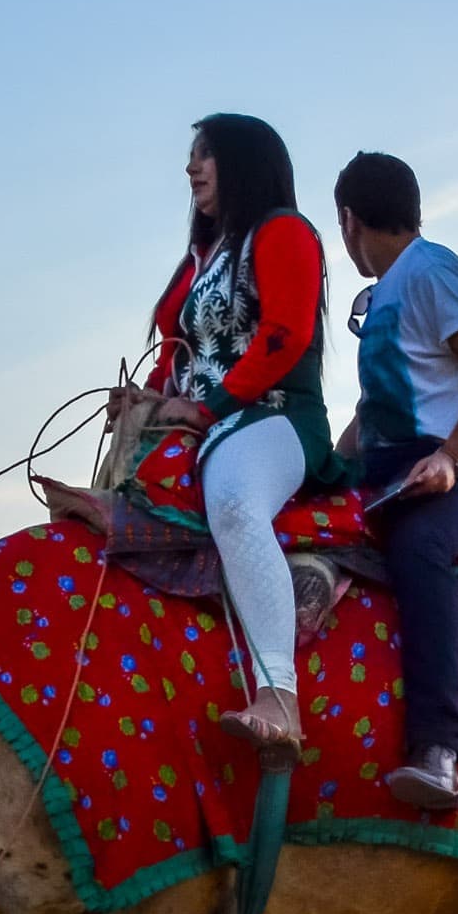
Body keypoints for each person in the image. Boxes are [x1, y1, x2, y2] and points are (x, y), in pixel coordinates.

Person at [126, 114, 349, 755]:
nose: (192, 168)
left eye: (207, 156)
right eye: (192, 156)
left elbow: (285, 336)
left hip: (274, 417)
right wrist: (149, 398)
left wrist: (210, 407)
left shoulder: (283, 233)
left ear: (244, 163)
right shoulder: (202, 260)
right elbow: (182, 353)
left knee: (233, 504)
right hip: (206, 423)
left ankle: (280, 696)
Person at [330, 151, 458, 811]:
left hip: (453, 473)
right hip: (384, 468)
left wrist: (452, 458)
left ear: (349, 219)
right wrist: (326, 467)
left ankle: (439, 750)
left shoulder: (432, 270)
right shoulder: (382, 294)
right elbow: (374, 410)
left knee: (417, 549)